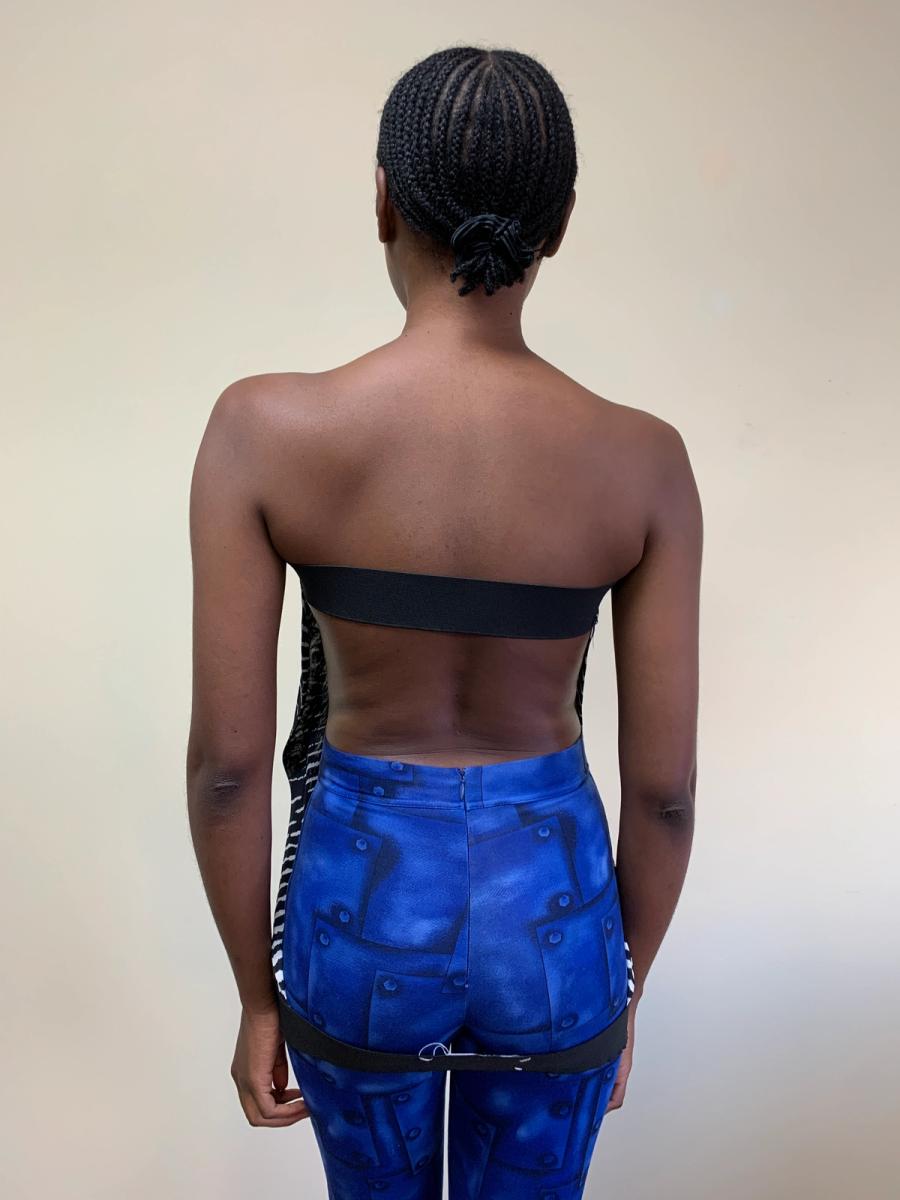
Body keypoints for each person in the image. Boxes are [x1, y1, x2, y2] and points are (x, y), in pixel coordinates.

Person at [188, 44, 701, 1200]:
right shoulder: (645, 461)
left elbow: (227, 771)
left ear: (383, 197)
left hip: (362, 900)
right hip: (553, 909)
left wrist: (257, 999)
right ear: (558, 224)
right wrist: (619, 992)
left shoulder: (265, 430)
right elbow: (666, 793)